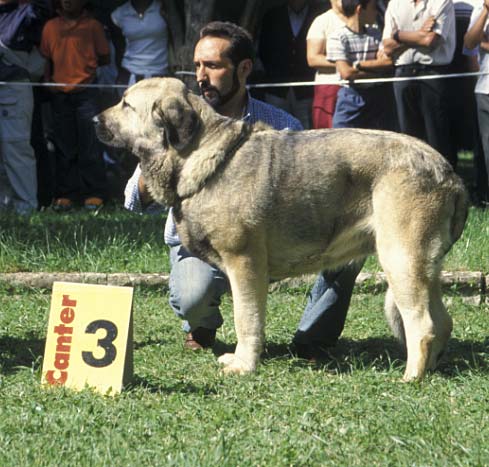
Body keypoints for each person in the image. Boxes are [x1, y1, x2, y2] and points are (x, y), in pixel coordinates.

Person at [125, 21, 361, 358]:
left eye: (213, 66)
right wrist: (161, 156)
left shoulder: (281, 124)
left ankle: (314, 337)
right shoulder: (178, 120)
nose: (201, 76)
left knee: (352, 238)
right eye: (197, 66)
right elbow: (133, 198)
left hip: (273, 242)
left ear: (244, 68)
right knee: (193, 297)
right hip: (201, 246)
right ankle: (202, 323)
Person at [40, 0, 110, 211]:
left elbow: (105, 56)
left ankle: (95, 194)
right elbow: (45, 59)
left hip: (86, 93)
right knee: (63, 146)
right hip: (60, 95)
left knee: (91, 145)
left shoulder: (93, 26)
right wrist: (47, 81)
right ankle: (65, 195)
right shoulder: (50, 27)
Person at [382, 0, 457, 167]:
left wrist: (398, 35)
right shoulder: (395, 3)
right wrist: (419, 33)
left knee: (437, 138)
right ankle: (414, 185)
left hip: (432, 73)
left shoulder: (442, 2)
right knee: (407, 139)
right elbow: (387, 47)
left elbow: (430, 41)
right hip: (403, 73)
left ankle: (444, 187)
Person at [0, 0, 52, 215]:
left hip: (13, 89)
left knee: (17, 148)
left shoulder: (30, 12)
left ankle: (25, 208)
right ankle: (5, 206)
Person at [257, 0, 324, 129]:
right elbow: (263, 48)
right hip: (276, 86)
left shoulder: (317, 15)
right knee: (275, 129)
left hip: (305, 87)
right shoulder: (272, 15)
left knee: (306, 130)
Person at [327, 0, 393, 129]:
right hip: (350, 97)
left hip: (377, 97)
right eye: (373, 8)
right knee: (342, 138)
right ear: (359, 9)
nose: (376, 12)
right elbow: (346, 73)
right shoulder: (337, 37)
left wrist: (358, 66)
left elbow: (387, 63)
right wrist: (376, 70)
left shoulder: (377, 34)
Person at [111, 0, 173, 89]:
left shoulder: (164, 9)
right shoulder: (119, 14)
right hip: (130, 73)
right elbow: (118, 47)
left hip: (161, 73)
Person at [306, 0, 347, 129]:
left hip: (359, 88)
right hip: (329, 87)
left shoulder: (364, 18)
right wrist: (345, 65)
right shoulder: (322, 21)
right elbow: (313, 58)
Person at [464, 0, 489, 206]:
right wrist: (486, 12)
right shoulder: (480, 11)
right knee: (486, 148)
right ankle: (484, 196)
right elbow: (470, 42)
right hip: (485, 88)